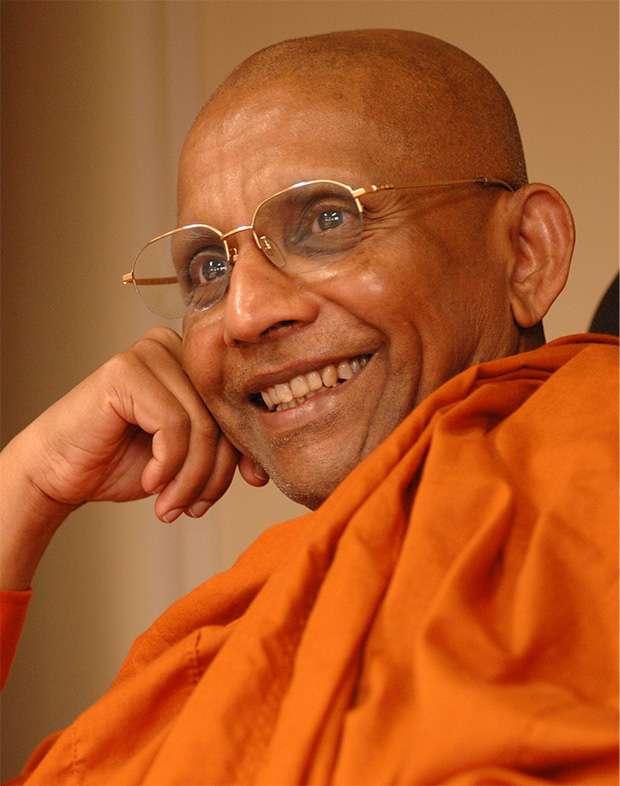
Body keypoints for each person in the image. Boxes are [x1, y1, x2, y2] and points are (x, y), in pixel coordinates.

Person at [1, 28, 617, 786]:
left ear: (527, 252)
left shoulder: (595, 458)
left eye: (328, 221)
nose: (245, 313)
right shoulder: (232, 640)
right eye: (210, 267)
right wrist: (25, 486)